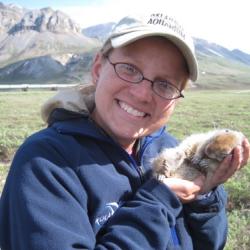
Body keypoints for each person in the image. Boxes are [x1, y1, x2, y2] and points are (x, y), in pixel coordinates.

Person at [0, 12, 249, 250]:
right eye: (129, 68)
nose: (142, 94)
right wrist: (158, 202)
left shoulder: (169, 149)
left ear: (176, 99)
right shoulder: (44, 163)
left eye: (165, 84)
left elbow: (208, 244)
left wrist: (205, 197)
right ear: (98, 68)